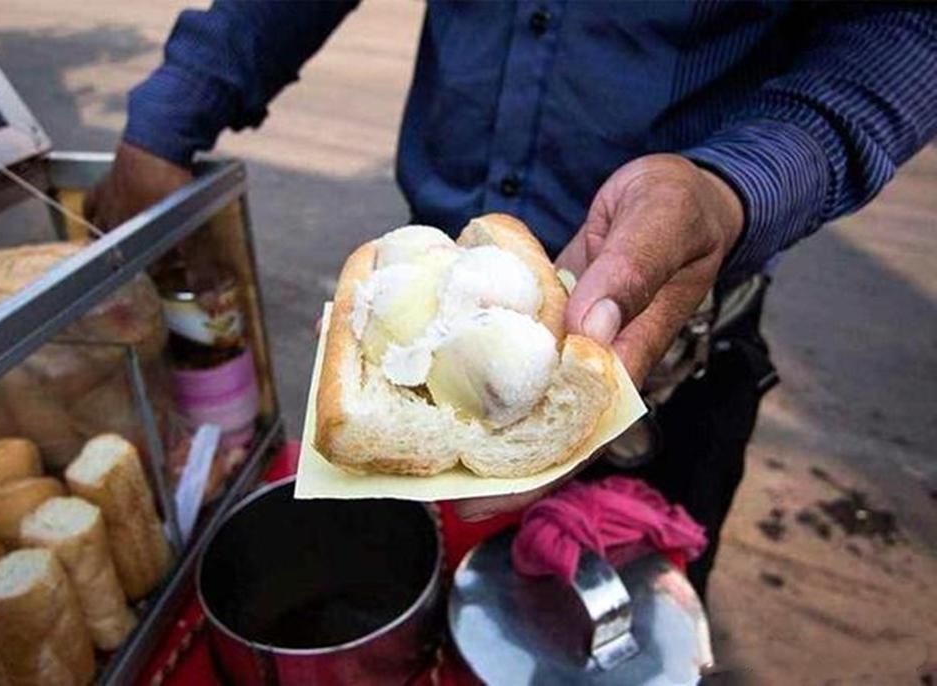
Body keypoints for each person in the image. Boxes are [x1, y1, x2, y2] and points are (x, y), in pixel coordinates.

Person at [86, 2, 937, 595]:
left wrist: (732, 185)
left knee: (624, 642)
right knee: (417, 611)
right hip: (429, 284)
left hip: (683, 355)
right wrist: (172, 112)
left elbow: (907, 27)